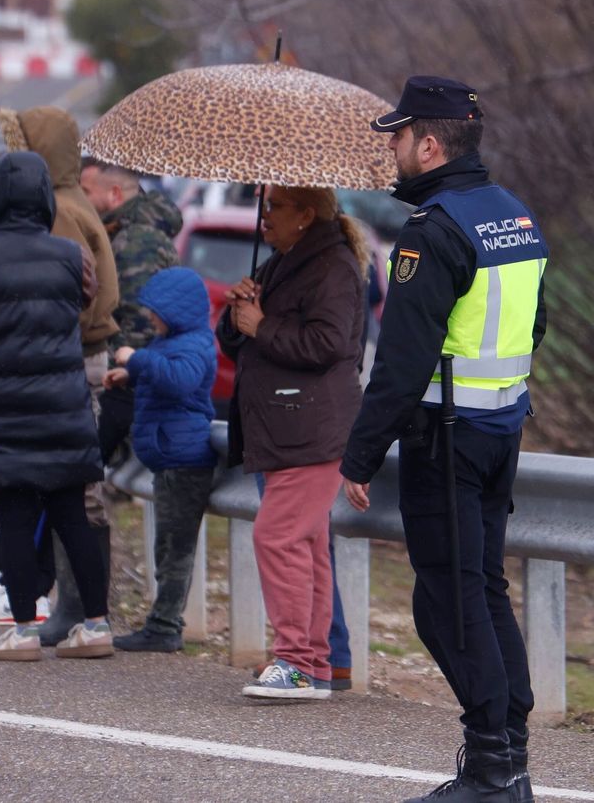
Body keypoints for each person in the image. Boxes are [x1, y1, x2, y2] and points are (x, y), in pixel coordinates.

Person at [341, 77, 546, 803]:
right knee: (483, 591)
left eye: (397, 139)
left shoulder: (432, 233)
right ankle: (509, 762)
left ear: (429, 144)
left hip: (447, 440)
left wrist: (361, 454)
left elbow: (400, 364)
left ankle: (493, 770)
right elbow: (534, 328)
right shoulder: (516, 219)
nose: (392, 152)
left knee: (447, 604)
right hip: (500, 433)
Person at [0, 151, 113, 662]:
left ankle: (25, 630)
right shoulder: (71, 256)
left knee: (14, 518)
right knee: (72, 516)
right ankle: (96, 624)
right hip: (62, 406)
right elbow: (86, 301)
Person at [218, 186, 367, 700]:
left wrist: (263, 325)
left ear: (306, 215)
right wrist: (239, 312)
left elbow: (328, 344)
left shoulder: (333, 268)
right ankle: (316, 662)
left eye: (275, 207)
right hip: (286, 424)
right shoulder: (286, 262)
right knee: (305, 545)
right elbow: (245, 337)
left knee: (277, 538)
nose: (265, 217)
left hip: (311, 427)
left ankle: (298, 662)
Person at [0, 107, 120, 644]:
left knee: (74, 496)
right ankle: (79, 610)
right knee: (72, 493)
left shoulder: (60, 213)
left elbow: (62, 299)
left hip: (69, 360)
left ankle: (80, 610)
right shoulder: (71, 203)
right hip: (73, 359)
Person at [102, 267, 217, 654]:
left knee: (175, 549)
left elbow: (181, 381)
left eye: (156, 311)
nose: (149, 317)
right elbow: (164, 378)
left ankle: (166, 625)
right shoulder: (169, 341)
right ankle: (162, 622)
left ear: (177, 311)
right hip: (168, 458)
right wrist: (129, 374)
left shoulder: (196, 344)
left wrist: (135, 360)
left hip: (185, 461)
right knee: (167, 546)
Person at [78, 158, 182, 474]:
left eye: (85, 192)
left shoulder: (137, 242)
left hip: (125, 389)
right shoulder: (122, 231)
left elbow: (138, 325)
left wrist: (117, 377)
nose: (80, 202)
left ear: (115, 195)